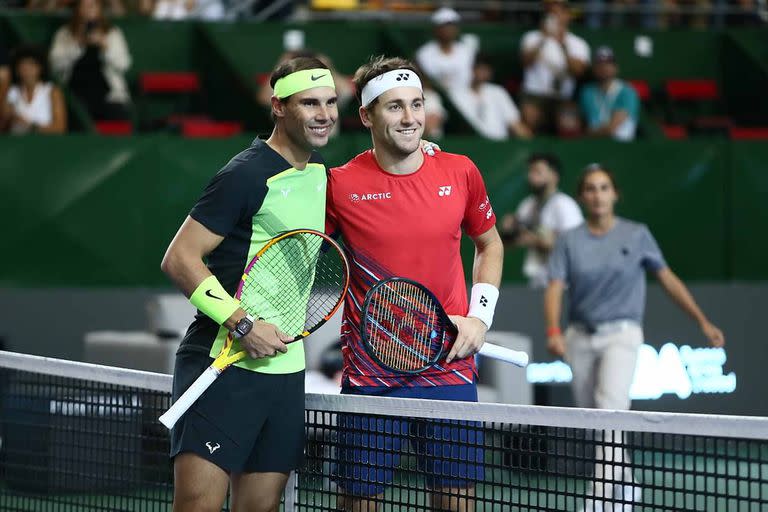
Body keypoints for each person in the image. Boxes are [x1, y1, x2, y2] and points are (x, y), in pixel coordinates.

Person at [326, 55, 504, 512]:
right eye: (394, 107)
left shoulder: (460, 171)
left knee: (457, 502)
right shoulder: (339, 185)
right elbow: (309, 260)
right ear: (366, 115)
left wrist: (479, 318)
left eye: (417, 104)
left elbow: (490, 245)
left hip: (450, 365)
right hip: (371, 373)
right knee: (360, 501)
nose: (410, 118)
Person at [160, 56, 338, 512]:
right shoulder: (244, 173)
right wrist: (243, 324)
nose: (324, 114)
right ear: (279, 107)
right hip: (223, 363)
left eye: (331, 102)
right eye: (309, 103)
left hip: (284, 376)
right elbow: (179, 259)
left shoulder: (321, 175)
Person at [544, 164, 725, 511]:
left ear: (615, 194)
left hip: (622, 335)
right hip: (579, 336)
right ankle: (625, 484)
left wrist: (702, 320)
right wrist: (553, 330)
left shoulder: (637, 234)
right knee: (596, 420)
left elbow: (668, 279)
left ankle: (598, 499)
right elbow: (554, 289)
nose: (598, 195)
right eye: (591, 189)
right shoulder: (569, 240)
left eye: (604, 188)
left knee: (610, 410)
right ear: (583, 197)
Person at [500, 153, 582, 288]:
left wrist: (538, 241)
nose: (531, 176)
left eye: (537, 171)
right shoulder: (529, 205)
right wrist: (509, 230)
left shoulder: (565, 205)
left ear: (554, 176)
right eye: (530, 171)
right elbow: (507, 243)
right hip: (538, 281)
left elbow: (577, 248)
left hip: (564, 284)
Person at [49, 0, 132, 121]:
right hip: (74, 93)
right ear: (77, 9)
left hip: (107, 95)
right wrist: (78, 44)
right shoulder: (65, 34)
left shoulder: (112, 33)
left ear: (99, 9)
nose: (88, 10)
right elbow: (54, 64)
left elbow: (124, 65)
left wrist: (105, 47)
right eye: (84, 6)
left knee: (117, 113)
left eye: (92, 6)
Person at [519, 0, 589, 135]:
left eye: (560, 12)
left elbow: (578, 71)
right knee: (528, 116)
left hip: (563, 97)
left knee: (569, 121)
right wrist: (544, 38)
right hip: (534, 95)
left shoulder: (578, 43)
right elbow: (525, 62)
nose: (555, 16)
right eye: (551, 13)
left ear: (568, 15)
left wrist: (562, 43)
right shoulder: (531, 37)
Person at [449, 54, 532, 140]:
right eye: (480, 68)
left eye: (486, 70)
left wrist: (529, 141)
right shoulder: (456, 94)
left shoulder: (498, 92)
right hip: (470, 143)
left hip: (498, 144)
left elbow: (514, 123)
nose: (482, 73)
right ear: (473, 69)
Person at [1, 44, 66, 134]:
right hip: (16, 145)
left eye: (31, 64)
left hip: (45, 145)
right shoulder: (11, 92)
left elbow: (59, 128)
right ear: (17, 69)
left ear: (40, 67)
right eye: (22, 64)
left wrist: (29, 126)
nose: (26, 69)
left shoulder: (52, 92)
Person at [580, 46, 640, 142]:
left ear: (616, 68)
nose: (604, 67)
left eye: (608, 63)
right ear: (594, 68)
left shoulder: (627, 91)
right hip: (593, 145)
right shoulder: (587, 91)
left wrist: (591, 132)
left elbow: (612, 128)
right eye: (599, 64)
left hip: (622, 146)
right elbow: (585, 123)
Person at [415, 7, 479, 93]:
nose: (449, 30)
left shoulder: (466, 50)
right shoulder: (424, 53)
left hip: (465, 95)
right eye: (445, 26)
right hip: (436, 97)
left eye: (452, 26)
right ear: (436, 29)